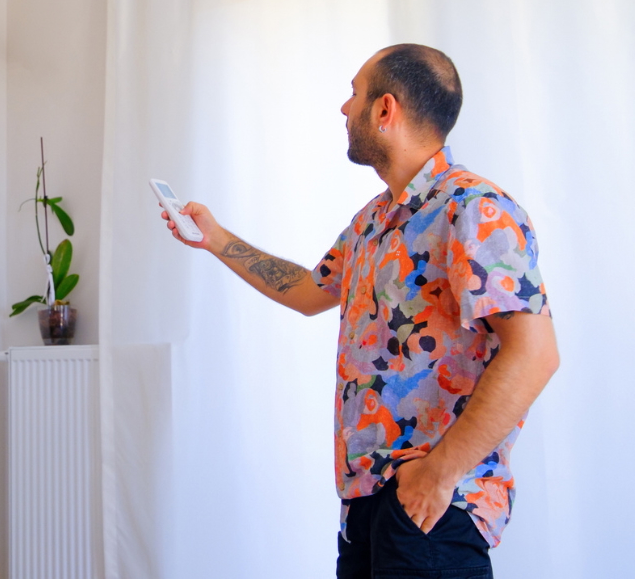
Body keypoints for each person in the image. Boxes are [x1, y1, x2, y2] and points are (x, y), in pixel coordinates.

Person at [161, 44, 559, 579]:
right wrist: (215, 239)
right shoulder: (373, 222)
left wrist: (438, 475)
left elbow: (535, 355)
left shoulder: (476, 210)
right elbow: (306, 291)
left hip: (433, 510)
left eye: (354, 94)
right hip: (367, 505)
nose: (344, 109)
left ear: (385, 110)